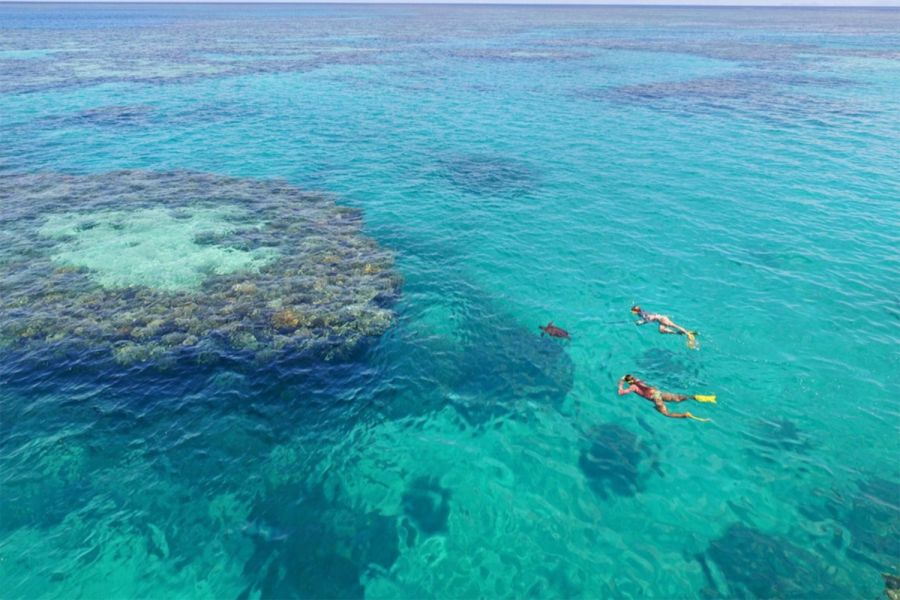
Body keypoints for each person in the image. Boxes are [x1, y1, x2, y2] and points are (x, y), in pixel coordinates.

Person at [618, 374, 716, 421]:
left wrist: (621, 385)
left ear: (629, 382)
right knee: (679, 398)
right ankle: (700, 397)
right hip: (658, 393)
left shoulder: (633, 387)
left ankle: (685, 415)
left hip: (655, 398)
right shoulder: (640, 381)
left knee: (667, 414)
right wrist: (625, 378)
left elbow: (621, 393)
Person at [631, 305, 698, 348]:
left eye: (633, 312)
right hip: (660, 320)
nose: (633, 313)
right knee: (661, 331)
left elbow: (648, 319)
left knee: (674, 325)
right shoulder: (641, 312)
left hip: (662, 319)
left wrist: (641, 323)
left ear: (636, 311)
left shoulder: (642, 314)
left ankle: (688, 334)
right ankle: (679, 333)